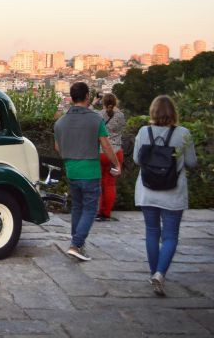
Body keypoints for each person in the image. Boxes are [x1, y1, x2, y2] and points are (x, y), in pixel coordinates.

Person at [133, 95, 197, 296]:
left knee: (152, 232)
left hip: (148, 190)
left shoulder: (144, 132)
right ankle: (160, 273)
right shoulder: (183, 133)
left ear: (153, 111)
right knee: (170, 236)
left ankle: (154, 273)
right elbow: (192, 162)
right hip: (173, 192)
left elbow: (136, 159)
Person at [54, 82, 121, 261]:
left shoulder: (60, 122)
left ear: (71, 97)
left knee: (77, 207)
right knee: (90, 208)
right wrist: (116, 164)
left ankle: (78, 243)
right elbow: (106, 145)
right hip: (90, 170)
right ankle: (76, 244)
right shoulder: (95, 119)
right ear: (86, 97)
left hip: (71, 170)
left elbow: (58, 147)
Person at [96, 93, 126, 221]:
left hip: (101, 152)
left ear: (103, 103)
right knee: (110, 184)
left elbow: (89, 111)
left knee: (99, 183)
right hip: (116, 152)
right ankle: (106, 212)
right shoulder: (121, 116)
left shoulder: (98, 115)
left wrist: (94, 102)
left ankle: (98, 210)